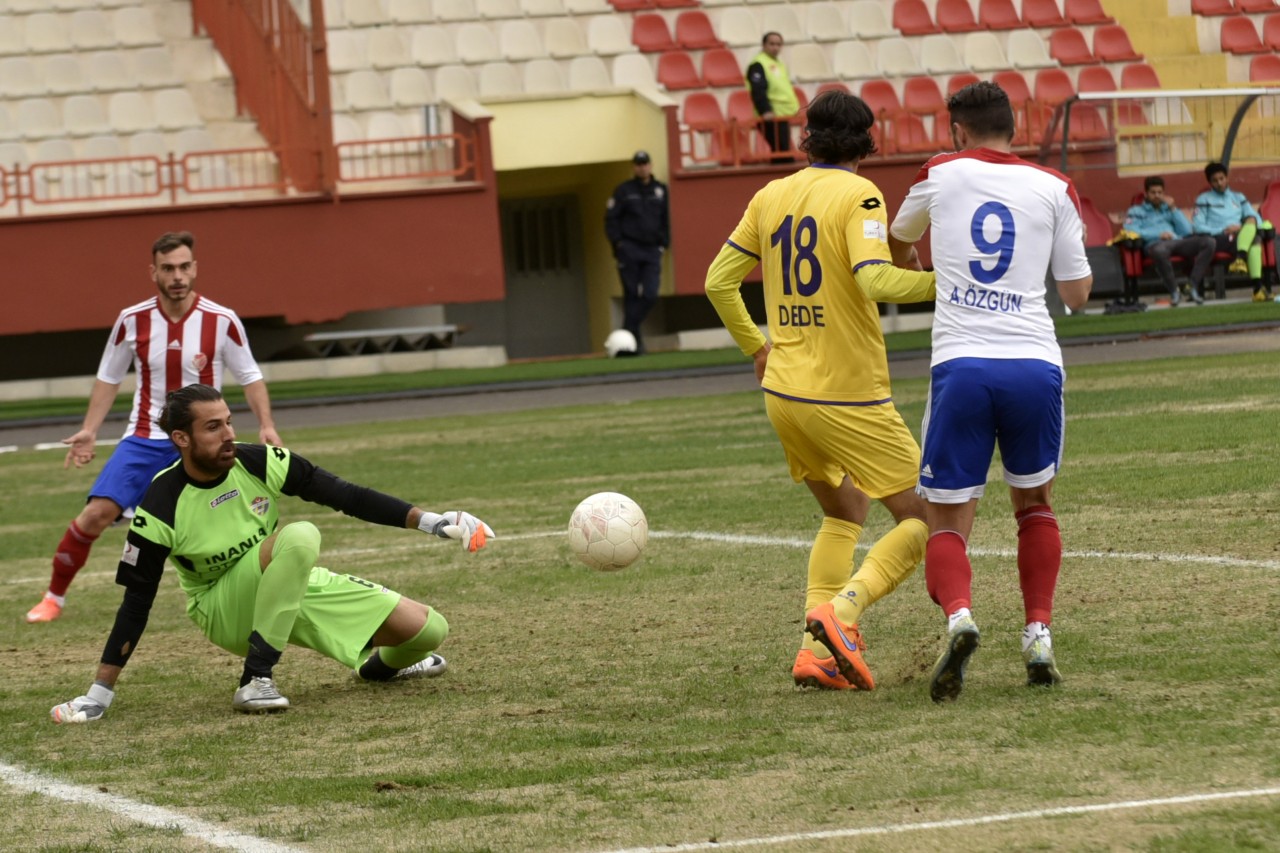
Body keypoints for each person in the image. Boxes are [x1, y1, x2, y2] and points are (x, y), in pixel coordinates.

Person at [50, 384, 496, 722]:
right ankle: (256, 679)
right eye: (213, 427)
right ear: (181, 438)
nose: (229, 434)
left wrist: (431, 521)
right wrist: (99, 693)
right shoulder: (160, 504)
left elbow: (347, 495)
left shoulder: (259, 461)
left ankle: (377, 669)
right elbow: (136, 604)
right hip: (223, 608)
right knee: (300, 535)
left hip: (283, 580)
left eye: (228, 422)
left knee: (429, 631)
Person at [705, 89, 937, 691]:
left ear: (806, 139)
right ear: (867, 144)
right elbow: (875, 280)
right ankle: (842, 613)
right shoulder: (860, 195)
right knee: (929, 516)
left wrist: (756, 347)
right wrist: (951, 284)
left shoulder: (771, 194)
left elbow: (718, 282)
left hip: (784, 392)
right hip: (847, 394)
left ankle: (815, 653)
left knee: (845, 511)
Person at [888, 81, 1093, 703]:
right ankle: (1038, 636)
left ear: (958, 131)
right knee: (1035, 505)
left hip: (963, 365)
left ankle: (960, 618)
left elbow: (899, 239)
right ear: (1014, 127)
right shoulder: (1055, 186)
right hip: (1034, 362)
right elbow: (1077, 294)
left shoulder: (940, 173)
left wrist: (924, 267)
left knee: (946, 517)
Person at [26, 231, 280, 625]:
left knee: (234, 522)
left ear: (194, 269)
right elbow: (109, 377)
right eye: (168, 268)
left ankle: (258, 591)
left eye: (183, 267)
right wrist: (90, 430)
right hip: (145, 438)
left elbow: (250, 375)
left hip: (203, 441)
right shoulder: (132, 319)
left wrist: (266, 425)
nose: (177, 276)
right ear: (154, 272)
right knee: (96, 514)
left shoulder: (222, 320)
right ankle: (53, 597)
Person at [604, 150, 670, 354]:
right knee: (631, 294)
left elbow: (667, 218)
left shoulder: (660, 190)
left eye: (645, 163)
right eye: (638, 164)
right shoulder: (624, 191)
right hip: (630, 248)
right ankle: (634, 344)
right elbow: (611, 218)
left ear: (650, 165)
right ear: (634, 167)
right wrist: (618, 244)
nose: (642, 167)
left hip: (651, 249)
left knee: (650, 294)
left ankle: (627, 329)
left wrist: (663, 244)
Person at [1123, 176, 1215, 306]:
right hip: (1155, 244)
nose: (1157, 196)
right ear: (1146, 194)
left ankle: (1192, 285)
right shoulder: (1136, 211)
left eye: (1160, 192)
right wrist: (1158, 235)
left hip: (1176, 241)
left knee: (1209, 242)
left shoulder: (1168, 209)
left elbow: (1187, 231)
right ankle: (1174, 291)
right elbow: (1130, 231)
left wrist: (1173, 208)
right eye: (1153, 192)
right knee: (1160, 251)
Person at [1192, 162, 1274, 302]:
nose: (1219, 183)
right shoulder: (1203, 199)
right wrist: (1223, 229)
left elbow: (1256, 218)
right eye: (1215, 180)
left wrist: (1241, 227)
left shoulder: (1238, 197)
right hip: (1218, 237)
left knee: (1252, 222)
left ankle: (1240, 259)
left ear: (1227, 178)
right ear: (1210, 182)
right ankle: (1257, 289)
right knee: (1255, 239)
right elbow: (1198, 227)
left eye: (1222, 178)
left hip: (1239, 236)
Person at [745, 32, 799, 157]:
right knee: (782, 154)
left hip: (781, 115)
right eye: (772, 44)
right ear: (764, 45)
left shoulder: (778, 63)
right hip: (771, 116)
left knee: (782, 153)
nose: (775, 47)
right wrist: (765, 110)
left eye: (778, 44)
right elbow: (757, 89)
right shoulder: (758, 64)